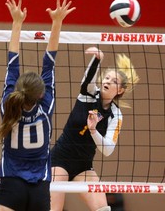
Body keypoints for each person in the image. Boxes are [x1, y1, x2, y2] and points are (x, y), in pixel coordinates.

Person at [0, 0, 76, 211]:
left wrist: (17, 22)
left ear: (18, 89)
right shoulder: (45, 107)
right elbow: (49, 63)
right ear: (41, 95)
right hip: (40, 186)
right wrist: (57, 22)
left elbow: (12, 62)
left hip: (11, 183)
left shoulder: (7, 105)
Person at [50, 47, 140, 211]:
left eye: (113, 82)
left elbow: (108, 150)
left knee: (103, 209)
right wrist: (97, 59)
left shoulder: (116, 115)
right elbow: (87, 81)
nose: (107, 82)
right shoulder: (89, 94)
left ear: (120, 90)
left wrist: (93, 130)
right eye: (106, 78)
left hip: (83, 166)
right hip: (60, 160)